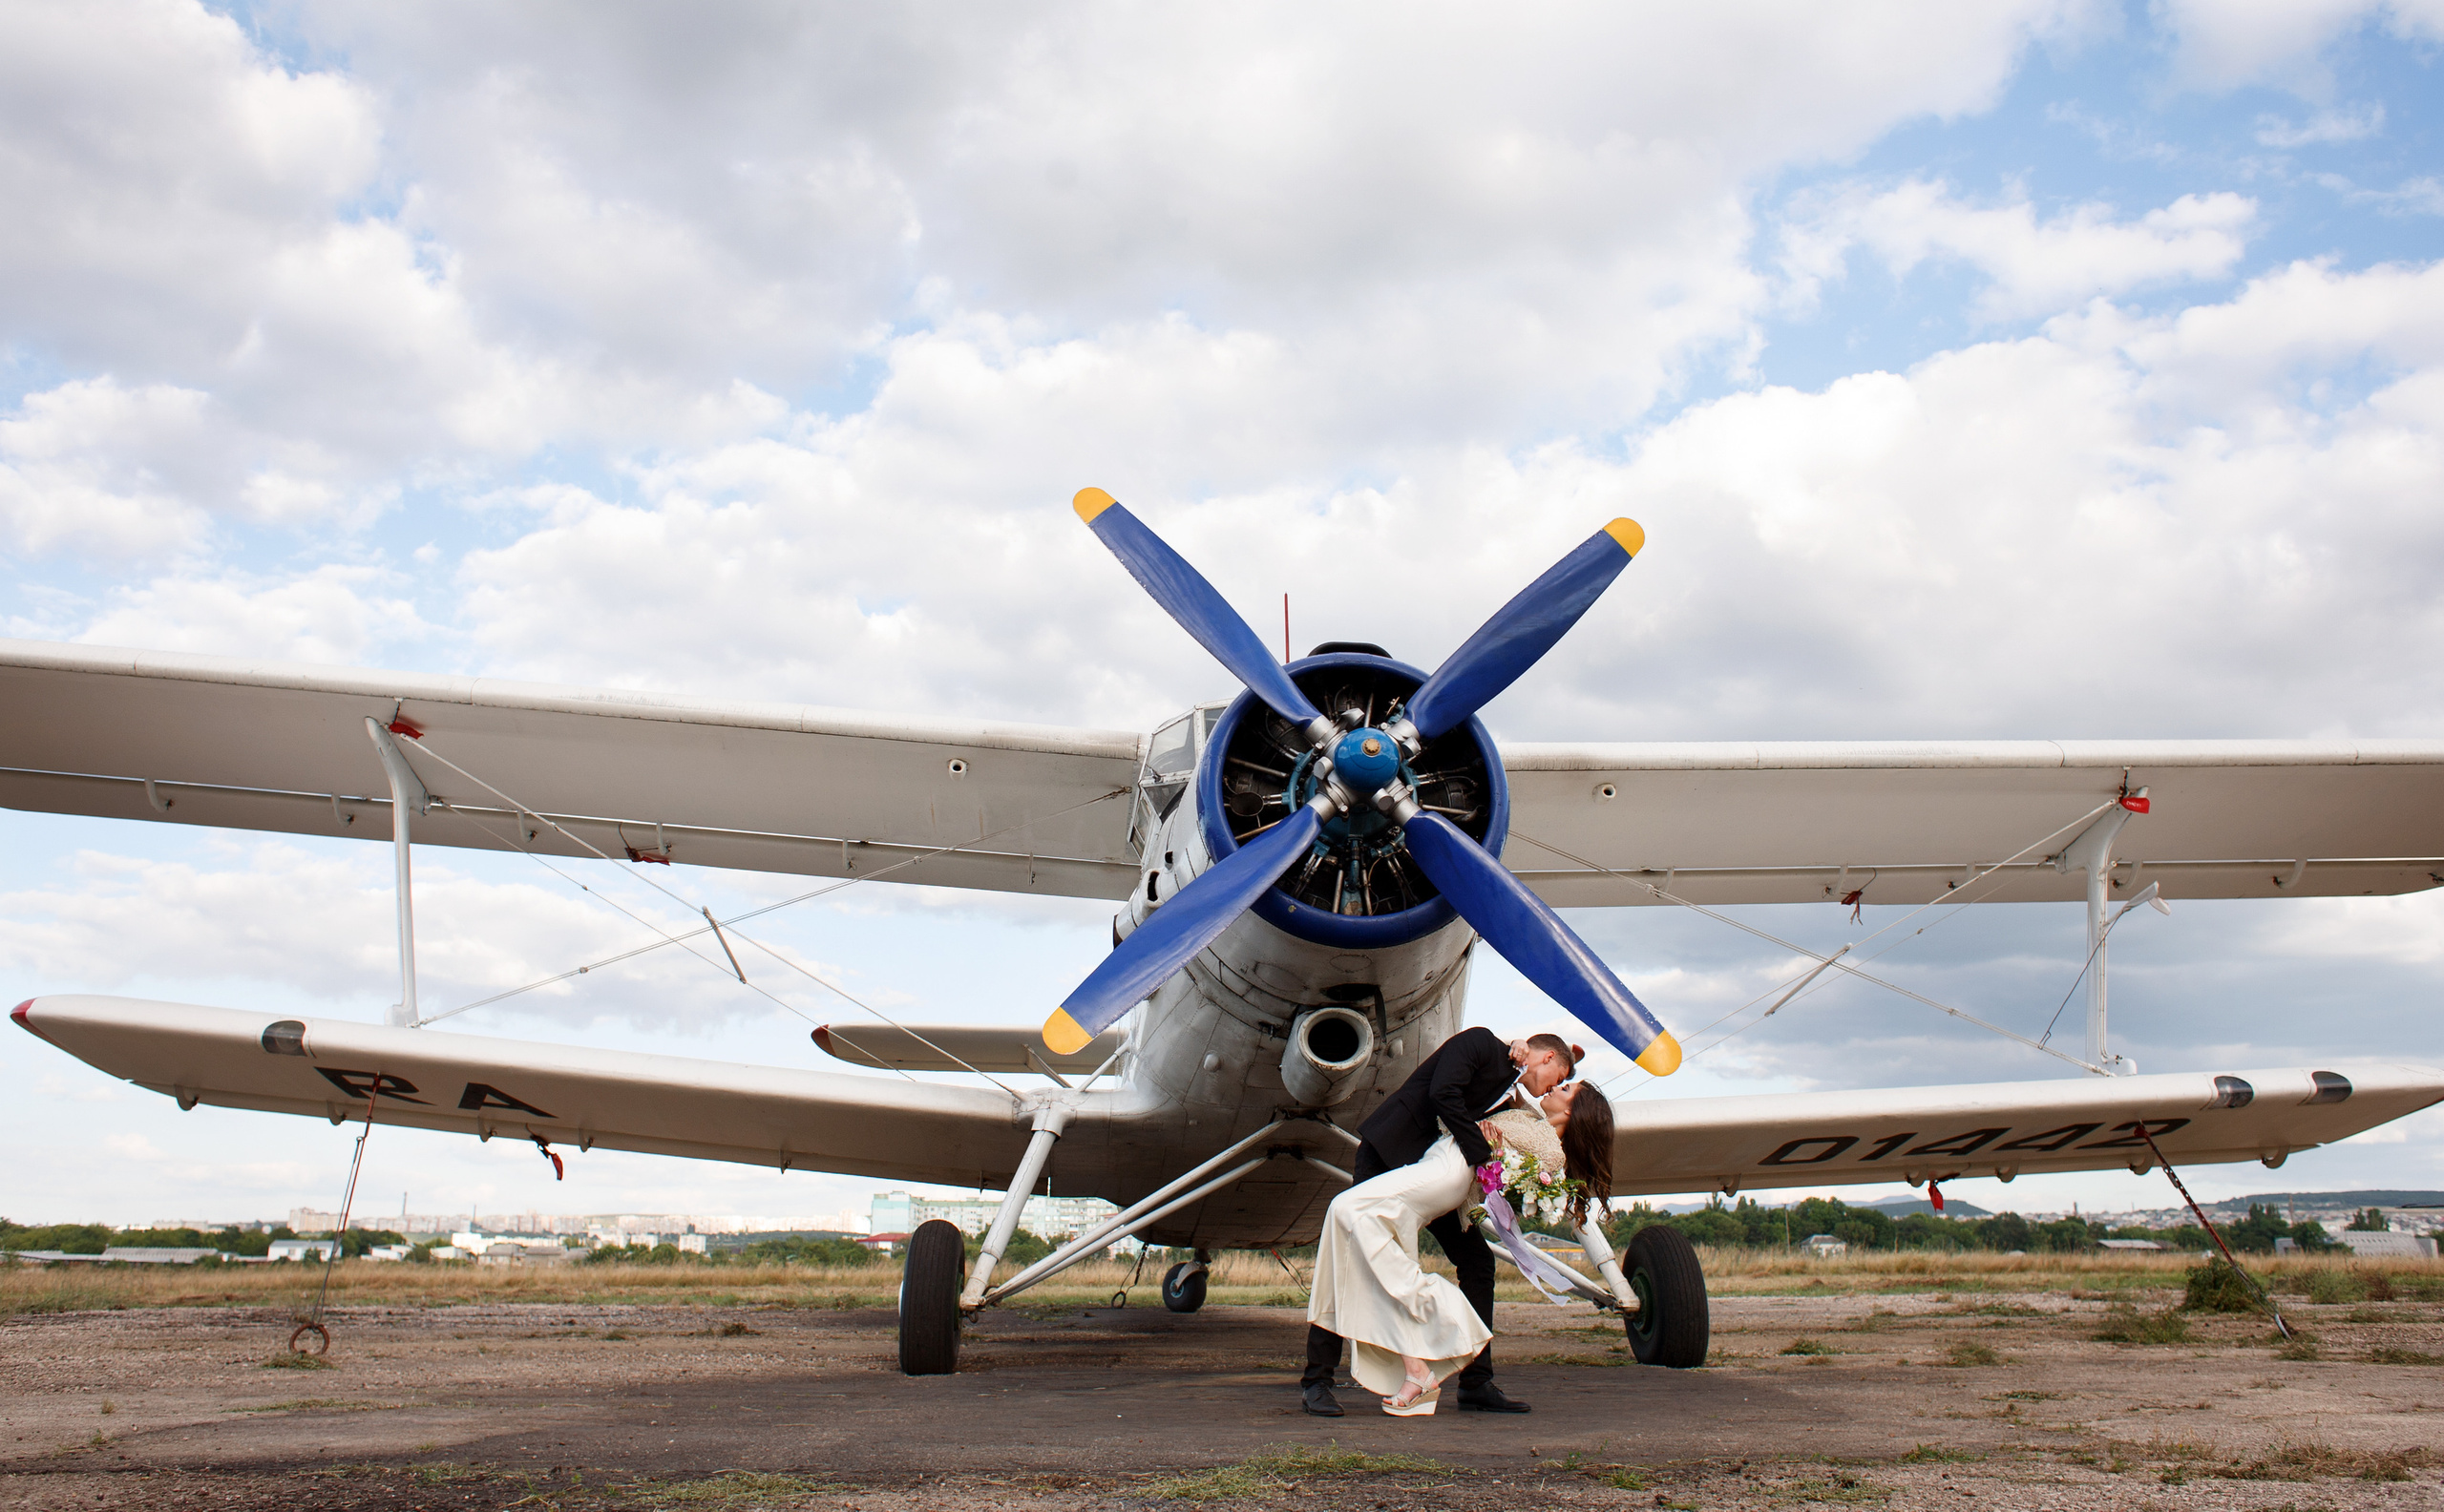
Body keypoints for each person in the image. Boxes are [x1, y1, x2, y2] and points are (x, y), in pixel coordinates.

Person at [1300, 1027, 1578, 1418]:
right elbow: (1442, 1094)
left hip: (1437, 1178)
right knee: (1353, 1248)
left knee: (1478, 1263)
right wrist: (1482, 1152)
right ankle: (1318, 1381)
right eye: (1560, 1078)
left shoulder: (1513, 1095)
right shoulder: (1481, 1043)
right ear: (1548, 1058)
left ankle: (1476, 1382)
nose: (1555, 1087)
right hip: (1390, 1157)